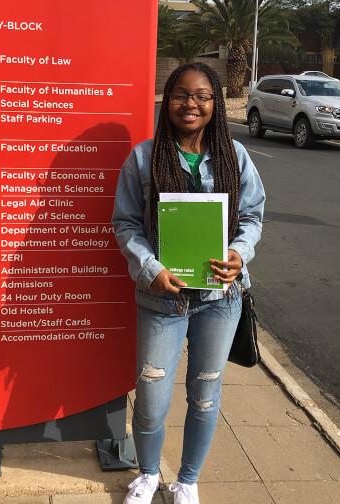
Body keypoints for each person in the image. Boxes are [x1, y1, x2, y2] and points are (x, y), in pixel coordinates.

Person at [112, 62, 265, 504]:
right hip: (162, 300)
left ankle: (188, 480)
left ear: (215, 103)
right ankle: (146, 475)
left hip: (221, 299)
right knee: (151, 395)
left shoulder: (235, 157)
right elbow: (125, 224)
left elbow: (253, 216)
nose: (190, 104)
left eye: (201, 96)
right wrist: (149, 268)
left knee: (205, 392)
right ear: (167, 100)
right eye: (180, 94)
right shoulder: (144, 158)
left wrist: (239, 253)